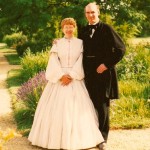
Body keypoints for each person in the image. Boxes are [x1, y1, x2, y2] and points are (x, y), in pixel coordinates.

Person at [28, 18, 104, 150]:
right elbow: (53, 60)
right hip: (59, 79)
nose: (68, 29)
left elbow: (81, 60)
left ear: (74, 28)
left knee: (75, 110)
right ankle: (55, 140)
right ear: (62, 29)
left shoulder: (80, 43)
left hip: (75, 79)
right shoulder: (57, 43)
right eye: (66, 27)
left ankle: (78, 139)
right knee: (56, 110)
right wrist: (60, 76)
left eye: (71, 26)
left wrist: (72, 75)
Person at [78, 2, 126, 150]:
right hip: (88, 73)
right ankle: (91, 136)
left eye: (93, 12)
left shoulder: (107, 29)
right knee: (89, 105)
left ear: (98, 12)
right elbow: (77, 48)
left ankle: (102, 139)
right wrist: (59, 43)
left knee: (102, 106)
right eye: (88, 13)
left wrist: (106, 64)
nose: (90, 15)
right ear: (85, 14)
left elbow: (120, 49)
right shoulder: (83, 30)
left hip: (103, 73)